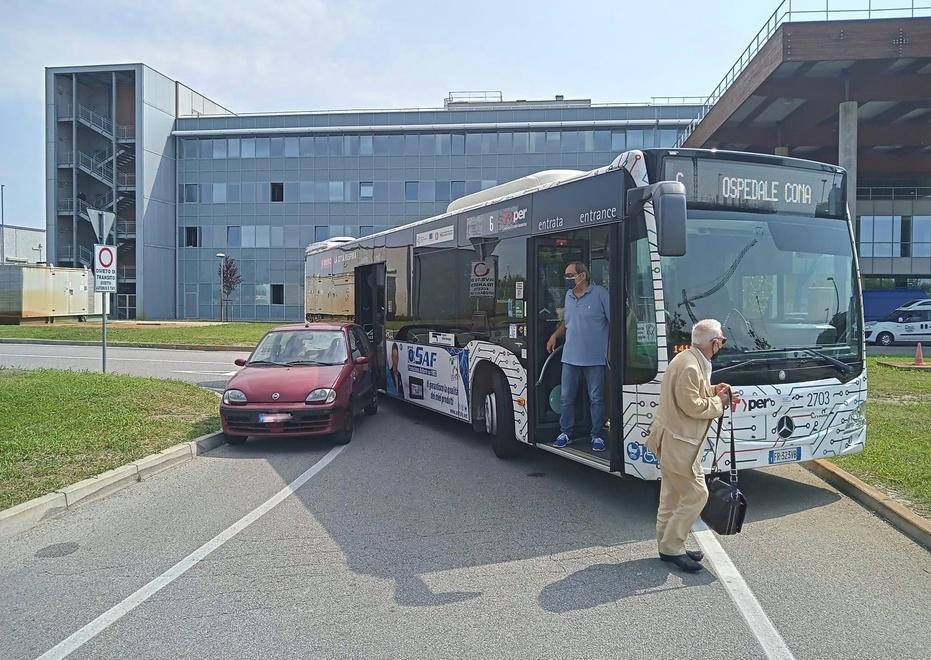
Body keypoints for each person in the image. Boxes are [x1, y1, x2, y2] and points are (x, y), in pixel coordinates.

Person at [647, 318, 735, 573]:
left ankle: (666, 546)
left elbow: (692, 393)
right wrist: (719, 403)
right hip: (680, 443)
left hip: (677, 441)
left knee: (671, 496)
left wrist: (714, 390)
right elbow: (692, 406)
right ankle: (673, 547)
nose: (722, 345)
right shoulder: (691, 366)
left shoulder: (690, 360)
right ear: (715, 343)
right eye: (722, 341)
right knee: (698, 495)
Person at [546, 261, 610, 452]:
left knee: (596, 399)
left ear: (582, 275)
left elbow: (613, 322)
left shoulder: (600, 294)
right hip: (570, 356)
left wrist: (611, 350)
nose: (567, 279)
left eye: (570, 274)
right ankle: (565, 432)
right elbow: (567, 322)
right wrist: (555, 335)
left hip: (595, 358)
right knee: (566, 398)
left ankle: (597, 435)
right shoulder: (568, 295)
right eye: (566, 275)